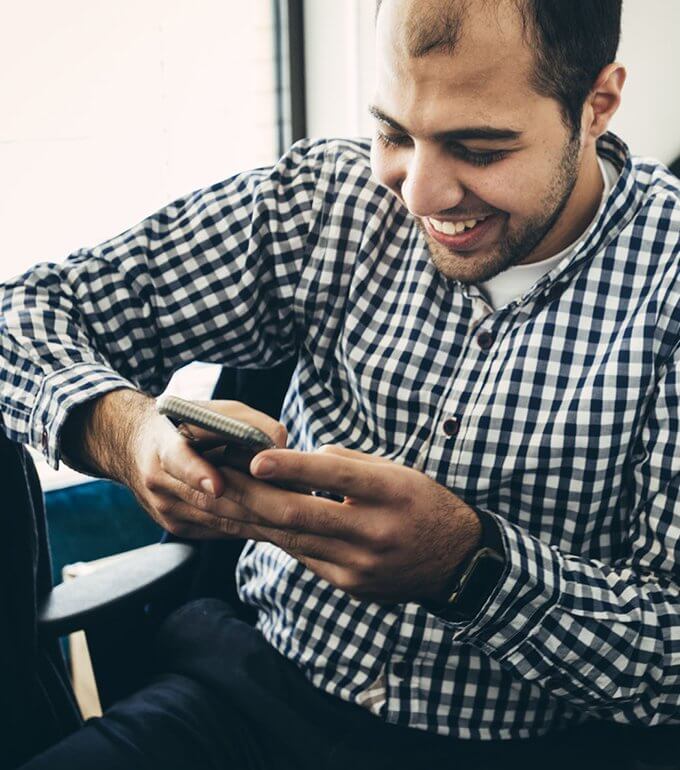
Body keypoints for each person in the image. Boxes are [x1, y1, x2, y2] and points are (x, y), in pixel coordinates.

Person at [1, 0, 679, 767]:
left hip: (532, 745)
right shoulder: (324, 201)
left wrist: (468, 569)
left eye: (478, 148)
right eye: (394, 132)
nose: (417, 195)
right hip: (245, 696)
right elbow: (22, 312)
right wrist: (125, 433)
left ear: (598, 105)